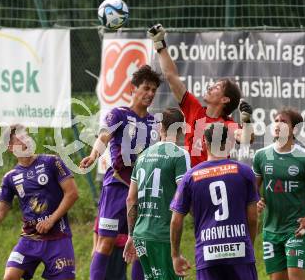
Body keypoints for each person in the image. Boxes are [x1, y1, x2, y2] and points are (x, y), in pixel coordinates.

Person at [79, 65, 161, 280]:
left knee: (141, 245)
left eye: (154, 90)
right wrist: (93, 156)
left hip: (143, 192)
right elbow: (104, 137)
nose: (150, 94)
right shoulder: (119, 114)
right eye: (146, 88)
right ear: (133, 88)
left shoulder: (155, 122)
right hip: (118, 186)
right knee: (106, 242)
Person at [0, 126, 79, 280]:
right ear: (10, 147)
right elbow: (0, 212)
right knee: (9, 277)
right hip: (29, 239)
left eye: (27, 136)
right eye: (20, 138)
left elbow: (72, 193)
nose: (27, 140)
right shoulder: (10, 177)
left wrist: (52, 219)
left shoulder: (52, 162)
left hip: (58, 237)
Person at [147, 24, 254, 167]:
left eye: (217, 87)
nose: (210, 87)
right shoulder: (194, 109)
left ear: (225, 99)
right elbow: (171, 77)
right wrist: (159, 45)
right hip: (189, 179)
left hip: (213, 179)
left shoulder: (228, 125)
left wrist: (247, 122)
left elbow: (246, 138)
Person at [170, 123, 259, 280]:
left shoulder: (191, 177)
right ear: (230, 143)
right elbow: (252, 218)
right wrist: (248, 247)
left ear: (204, 143)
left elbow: (176, 221)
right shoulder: (245, 172)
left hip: (208, 253)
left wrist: (175, 255)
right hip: (240, 251)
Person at [253, 108, 305, 280]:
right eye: (276, 120)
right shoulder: (261, 156)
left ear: (294, 130)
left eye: (283, 121)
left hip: (295, 230)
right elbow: (253, 189)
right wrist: (257, 200)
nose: (277, 124)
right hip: (270, 230)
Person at [123, 108, 190, 280]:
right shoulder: (180, 155)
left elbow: (131, 198)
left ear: (161, 127)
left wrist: (131, 235)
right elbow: (184, 194)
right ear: (181, 129)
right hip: (162, 235)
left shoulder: (142, 156)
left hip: (140, 235)